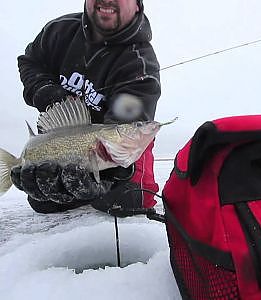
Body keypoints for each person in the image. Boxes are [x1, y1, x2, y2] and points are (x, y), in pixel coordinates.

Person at [12, 0, 161, 216]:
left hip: (120, 147)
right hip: (58, 139)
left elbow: (124, 133)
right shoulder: (59, 31)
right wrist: (43, 89)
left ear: (138, 5)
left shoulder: (140, 65)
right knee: (44, 199)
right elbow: (30, 61)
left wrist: (110, 175)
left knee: (128, 202)